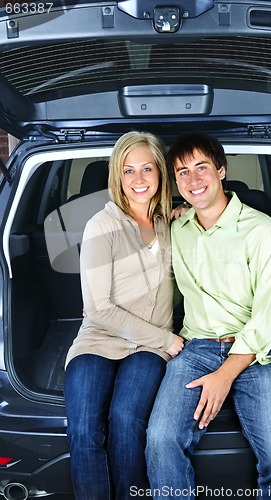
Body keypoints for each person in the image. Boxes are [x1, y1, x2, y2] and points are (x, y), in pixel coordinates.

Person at [146, 132, 271, 499]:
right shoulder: (176, 230)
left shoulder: (264, 232)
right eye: (182, 172)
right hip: (196, 348)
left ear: (221, 171)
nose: (193, 180)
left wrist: (224, 375)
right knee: (160, 443)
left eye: (202, 167)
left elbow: (269, 317)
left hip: (257, 351)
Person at [64, 131, 184, 500]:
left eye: (147, 168)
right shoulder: (103, 224)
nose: (138, 179)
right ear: (117, 176)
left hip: (146, 349)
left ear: (161, 173)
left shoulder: (175, 223)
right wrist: (167, 339)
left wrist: (184, 211)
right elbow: (99, 309)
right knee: (84, 429)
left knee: (127, 421)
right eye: (128, 170)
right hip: (100, 339)